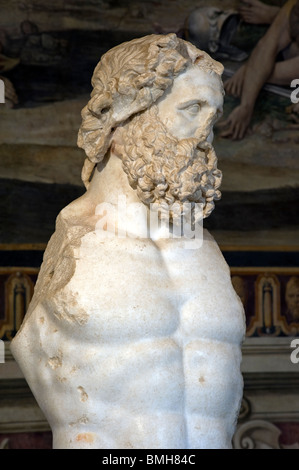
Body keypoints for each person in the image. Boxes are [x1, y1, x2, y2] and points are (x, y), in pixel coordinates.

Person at [11, 34, 245, 449]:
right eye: (192, 109)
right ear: (125, 117)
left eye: (214, 114)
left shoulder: (200, 243)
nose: (206, 134)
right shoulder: (77, 235)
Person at [220, 0, 299, 140]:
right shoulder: (293, 9)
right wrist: (245, 106)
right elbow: (266, 46)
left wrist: (249, 70)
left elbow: (290, 71)